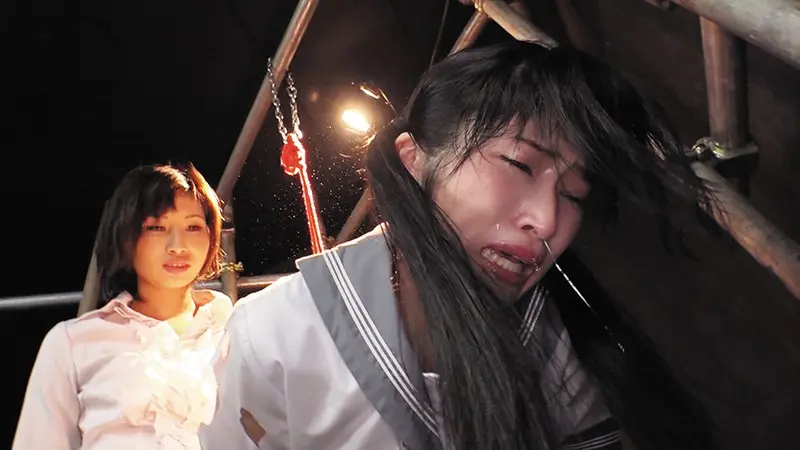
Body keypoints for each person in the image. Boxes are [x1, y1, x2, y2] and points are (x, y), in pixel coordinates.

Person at [201, 41, 717, 450]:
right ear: (414, 159)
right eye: (519, 165)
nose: (547, 221)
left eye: (574, 195)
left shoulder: (560, 349)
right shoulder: (277, 334)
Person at [13, 164, 233, 450]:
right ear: (125, 236)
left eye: (193, 227)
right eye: (156, 227)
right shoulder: (73, 342)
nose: (178, 246)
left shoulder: (237, 332)